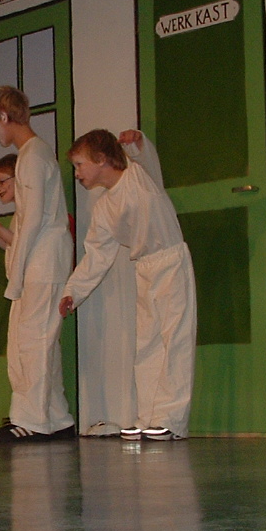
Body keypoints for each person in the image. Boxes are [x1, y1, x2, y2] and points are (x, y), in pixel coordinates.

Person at [58, 128, 196, 440]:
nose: (77, 173)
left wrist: (137, 143)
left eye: (79, 164)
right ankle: (148, 417)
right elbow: (96, 256)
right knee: (147, 344)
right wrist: (72, 292)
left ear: (101, 159)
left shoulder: (139, 176)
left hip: (171, 261)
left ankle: (171, 420)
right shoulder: (103, 208)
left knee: (175, 341)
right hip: (144, 269)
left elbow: (146, 158)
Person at [0, 86, 75, 441]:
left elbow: (34, 220)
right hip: (39, 260)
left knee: (33, 341)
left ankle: (32, 421)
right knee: (34, 340)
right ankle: (56, 417)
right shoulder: (31, 155)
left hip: (43, 262)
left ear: (4, 117)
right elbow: (28, 223)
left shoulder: (33, 156)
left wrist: (17, 275)